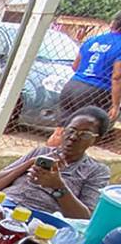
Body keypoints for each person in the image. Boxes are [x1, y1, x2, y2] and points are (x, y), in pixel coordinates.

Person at [0, 106, 111, 219]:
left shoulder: (96, 171)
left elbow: (83, 217)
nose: (73, 137)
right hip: (5, 204)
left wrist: (58, 187)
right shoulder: (42, 152)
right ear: (63, 131)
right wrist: (31, 162)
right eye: (71, 130)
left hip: (41, 220)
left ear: (96, 139)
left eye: (84, 134)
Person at [48, 11, 121, 146]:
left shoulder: (93, 40)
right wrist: (116, 105)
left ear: (114, 23)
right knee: (81, 135)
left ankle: (44, 159)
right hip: (96, 90)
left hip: (73, 84)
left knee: (61, 130)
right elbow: (117, 77)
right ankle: (65, 164)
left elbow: (75, 66)